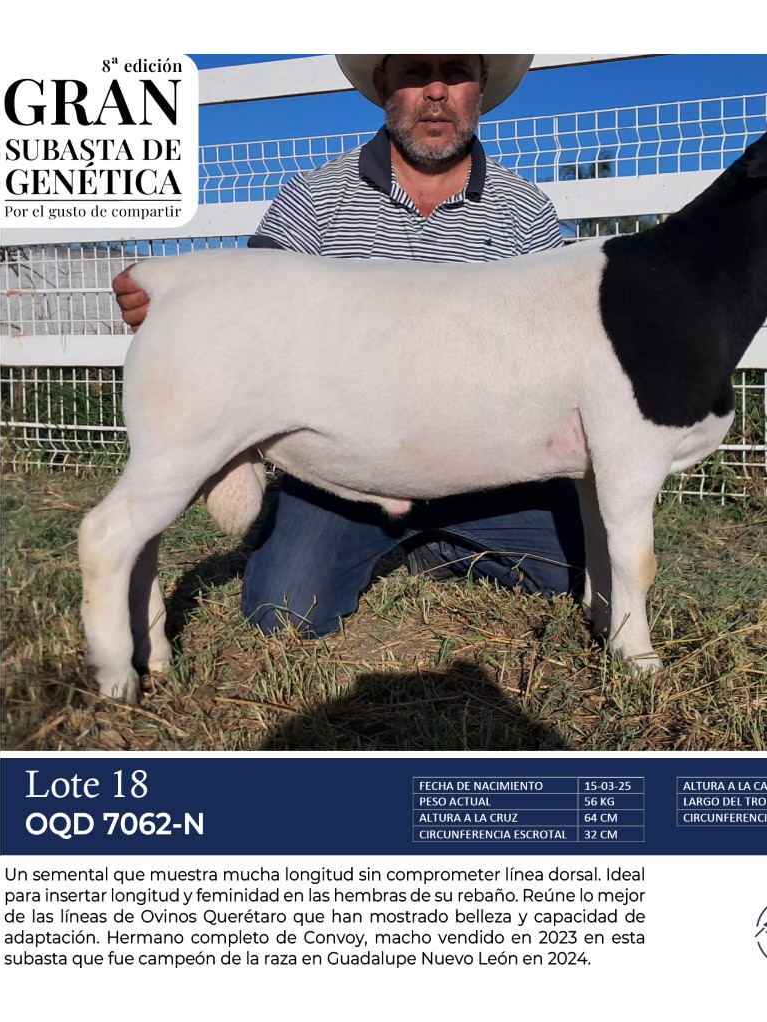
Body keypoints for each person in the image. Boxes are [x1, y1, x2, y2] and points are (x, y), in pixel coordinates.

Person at [113, 54, 585, 636]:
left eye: (456, 72)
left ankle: (426, 545)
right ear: (384, 85)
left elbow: (553, 347)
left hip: (484, 465)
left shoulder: (524, 210)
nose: (436, 92)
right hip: (349, 466)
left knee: (579, 574)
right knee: (284, 611)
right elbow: (250, 308)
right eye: (415, 73)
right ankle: (371, 536)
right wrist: (177, 305)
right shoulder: (315, 197)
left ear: (480, 87)